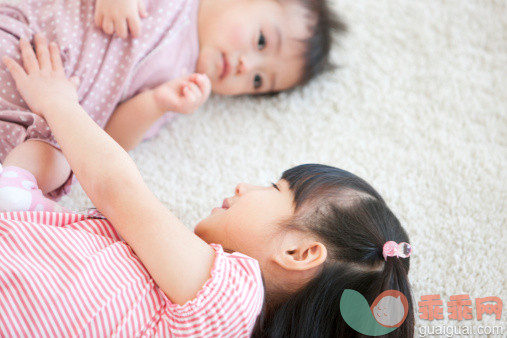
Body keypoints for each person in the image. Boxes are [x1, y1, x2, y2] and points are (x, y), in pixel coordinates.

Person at [0, 38, 414, 337]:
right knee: (43, 163)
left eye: (274, 188)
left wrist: (57, 103)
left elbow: (118, 189)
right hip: (37, 265)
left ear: (298, 253)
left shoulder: (232, 299)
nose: (244, 186)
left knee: (46, 158)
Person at [0, 0, 346, 207]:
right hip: (29, 41)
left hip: (45, 123)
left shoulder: (181, 87)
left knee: (57, 166)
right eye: (261, 41)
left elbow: (112, 140)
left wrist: (155, 103)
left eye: (258, 81)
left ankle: (11, 189)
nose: (247, 66)